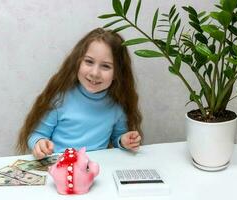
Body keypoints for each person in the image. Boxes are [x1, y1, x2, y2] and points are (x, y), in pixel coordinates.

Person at [16, 28, 143, 159]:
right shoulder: (59, 100)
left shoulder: (116, 106)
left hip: (96, 170)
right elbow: (35, 135)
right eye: (89, 62)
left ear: (117, 73)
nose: (95, 73)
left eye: (105, 66)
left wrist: (124, 140)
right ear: (78, 62)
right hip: (60, 168)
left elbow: (117, 138)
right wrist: (39, 143)